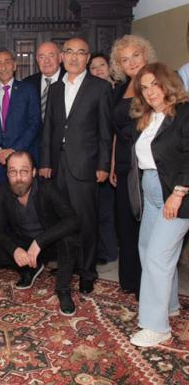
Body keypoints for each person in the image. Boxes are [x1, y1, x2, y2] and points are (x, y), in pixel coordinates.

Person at [40, 37, 113, 294]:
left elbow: (106, 131)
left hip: (85, 165)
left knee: (86, 221)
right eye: (69, 52)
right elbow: (48, 127)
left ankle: (87, 271)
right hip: (57, 165)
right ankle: (66, 265)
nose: (74, 57)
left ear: (87, 57)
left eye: (80, 53)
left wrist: (103, 165)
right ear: (62, 56)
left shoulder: (100, 88)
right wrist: (45, 161)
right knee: (62, 221)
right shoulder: (55, 88)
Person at [129, 63, 189, 347]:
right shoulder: (149, 117)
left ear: (167, 83)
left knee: (157, 257)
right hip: (151, 191)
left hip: (175, 194)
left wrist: (178, 193)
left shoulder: (184, 112)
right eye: (144, 88)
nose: (150, 92)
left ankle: (156, 327)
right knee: (147, 250)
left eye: (155, 84)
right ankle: (169, 305)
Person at [0, 151, 80, 315]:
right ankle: (28, 270)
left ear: (34, 172)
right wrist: (15, 250)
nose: (19, 178)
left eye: (24, 171)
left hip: (47, 244)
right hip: (23, 243)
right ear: (7, 174)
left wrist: (39, 242)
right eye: (13, 172)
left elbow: (73, 219)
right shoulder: (1, 192)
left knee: (69, 239)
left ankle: (63, 289)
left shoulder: (47, 188)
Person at [109, 35, 157, 296]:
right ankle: (129, 281)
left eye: (135, 56)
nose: (131, 62)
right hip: (124, 165)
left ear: (145, 54)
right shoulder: (119, 89)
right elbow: (116, 131)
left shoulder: (155, 85)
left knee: (146, 227)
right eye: (124, 59)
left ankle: (146, 285)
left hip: (147, 165)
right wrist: (113, 164)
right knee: (125, 224)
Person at [0, 47, 41, 185]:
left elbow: (35, 124)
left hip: (23, 160)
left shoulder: (28, 90)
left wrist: (13, 150)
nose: (3, 67)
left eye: (7, 62)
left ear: (14, 65)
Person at [87, 52, 118, 265]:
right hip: (93, 158)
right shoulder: (91, 92)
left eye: (102, 65)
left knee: (107, 210)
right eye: (93, 67)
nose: (98, 70)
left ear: (110, 67)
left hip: (113, 158)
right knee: (97, 208)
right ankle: (103, 249)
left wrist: (108, 162)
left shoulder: (118, 92)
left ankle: (109, 251)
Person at [24, 41, 64, 122]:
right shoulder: (27, 83)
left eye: (51, 56)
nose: (46, 61)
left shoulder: (70, 81)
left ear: (60, 58)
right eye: (42, 57)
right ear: (37, 60)